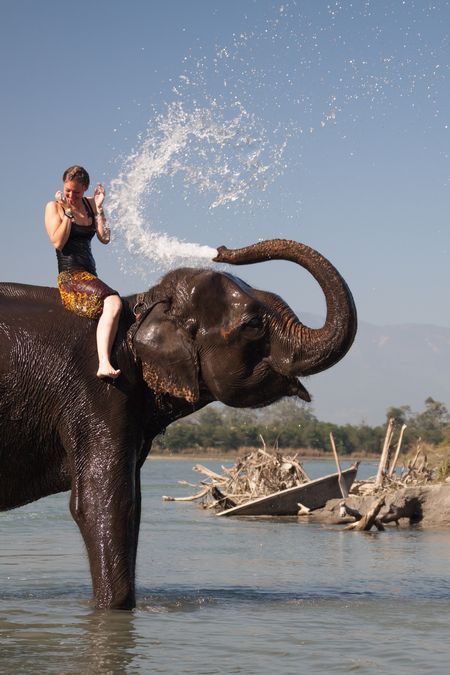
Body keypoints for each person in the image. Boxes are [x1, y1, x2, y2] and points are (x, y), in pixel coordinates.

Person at [45, 165, 122, 379]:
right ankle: (104, 364)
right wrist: (68, 213)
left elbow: (105, 237)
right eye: (68, 190)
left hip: (90, 275)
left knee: (119, 309)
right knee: (114, 302)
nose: (71, 195)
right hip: (70, 277)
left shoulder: (89, 205)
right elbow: (58, 242)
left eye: (76, 192)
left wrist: (99, 208)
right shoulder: (55, 207)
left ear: (85, 188)